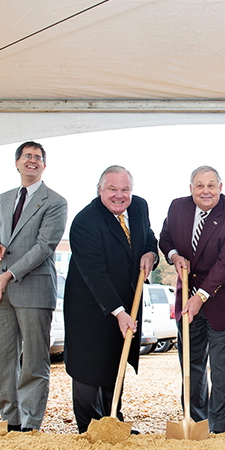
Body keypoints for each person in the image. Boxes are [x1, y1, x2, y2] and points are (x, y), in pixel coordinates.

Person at [63, 166, 158, 433]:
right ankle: (90, 429)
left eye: (125, 189)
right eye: (112, 189)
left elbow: (148, 238)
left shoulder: (139, 208)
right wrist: (118, 312)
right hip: (91, 307)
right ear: (100, 190)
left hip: (127, 303)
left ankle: (113, 422)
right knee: (89, 369)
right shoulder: (86, 222)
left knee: (115, 362)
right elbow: (96, 274)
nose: (119, 195)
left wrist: (151, 254)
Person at [0, 141, 67, 432]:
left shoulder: (55, 202)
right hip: (0, 290)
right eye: (27, 156)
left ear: (44, 165)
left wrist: (10, 275)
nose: (32, 161)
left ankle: (30, 424)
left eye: (38, 157)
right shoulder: (3, 199)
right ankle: (11, 419)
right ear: (16, 163)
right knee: (3, 360)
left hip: (34, 290)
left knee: (33, 361)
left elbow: (44, 246)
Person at [159, 166, 225, 434]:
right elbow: (165, 240)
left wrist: (201, 296)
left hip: (224, 301)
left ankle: (216, 427)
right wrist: (174, 256)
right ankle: (195, 421)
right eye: (199, 185)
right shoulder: (177, 208)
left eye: (211, 185)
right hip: (187, 299)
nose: (205, 191)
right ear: (191, 189)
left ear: (220, 187)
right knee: (191, 363)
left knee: (221, 371)